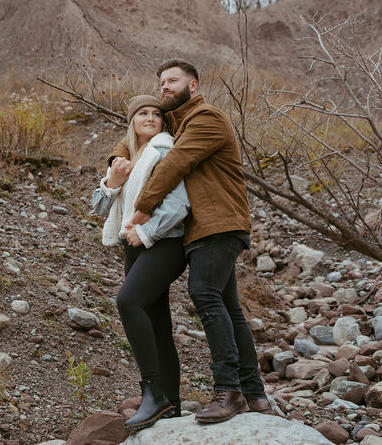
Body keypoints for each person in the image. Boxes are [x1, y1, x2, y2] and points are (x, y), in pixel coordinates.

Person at [121, 59, 273, 423]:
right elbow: (139, 130)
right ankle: (255, 394)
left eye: (172, 81)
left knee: (203, 292)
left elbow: (175, 164)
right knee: (229, 307)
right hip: (203, 227)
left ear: (193, 85)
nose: (164, 87)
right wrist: (117, 155)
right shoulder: (179, 121)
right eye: (161, 82)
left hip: (217, 224)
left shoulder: (206, 119)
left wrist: (142, 210)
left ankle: (229, 391)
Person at [93, 94, 190, 432]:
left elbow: (179, 204)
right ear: (132, 121)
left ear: (164, 122)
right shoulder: (126, 159)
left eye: (156, 114)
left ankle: (152, 392)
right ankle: (172, 404)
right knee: (158, 323)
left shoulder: (164, 150)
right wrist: (113, 183)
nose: (150, 118)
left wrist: (145, 232)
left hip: (165, 242)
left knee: (128, 301)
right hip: (134, 246)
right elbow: (99, 207)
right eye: (142, 114)